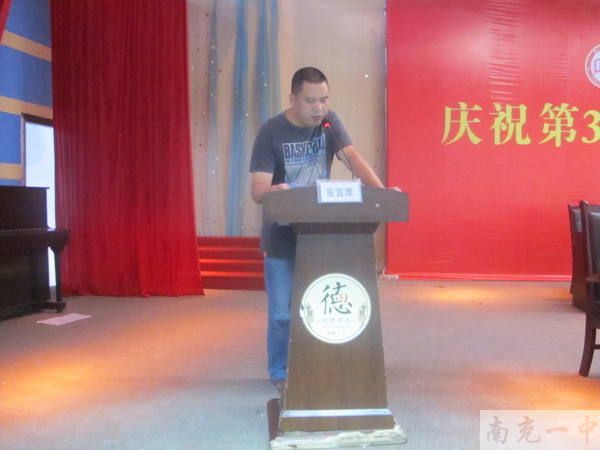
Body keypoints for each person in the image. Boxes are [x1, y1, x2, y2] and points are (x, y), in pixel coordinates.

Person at [249, 67, 386, 393]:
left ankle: (320, 365)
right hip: (282, 237)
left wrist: (382, 193)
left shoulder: (329, 124)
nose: (319, 107)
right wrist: (278, 190)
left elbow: (353, 158)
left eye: (324, 99)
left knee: (321, 306)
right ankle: (280, 372)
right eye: (310, 101)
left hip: (322, 236)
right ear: (293, 99)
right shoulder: (271, 132)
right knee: (282, 313)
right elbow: (257, 191)